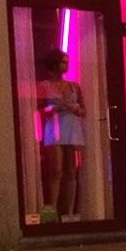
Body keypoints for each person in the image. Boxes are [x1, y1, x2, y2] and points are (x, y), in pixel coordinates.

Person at [38, 49, 86, 220]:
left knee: (71, 171)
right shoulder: (44, 86)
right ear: (54, 65)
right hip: (54, 127)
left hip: (71, 128)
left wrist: (75, 109)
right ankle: (51, 213)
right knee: (56, 170)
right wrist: (55, 108)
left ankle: (69, 213)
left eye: (67, 62)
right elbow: (40, 110)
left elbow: (83, 111)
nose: (66, 65)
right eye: (63, 62)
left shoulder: (74, 86)